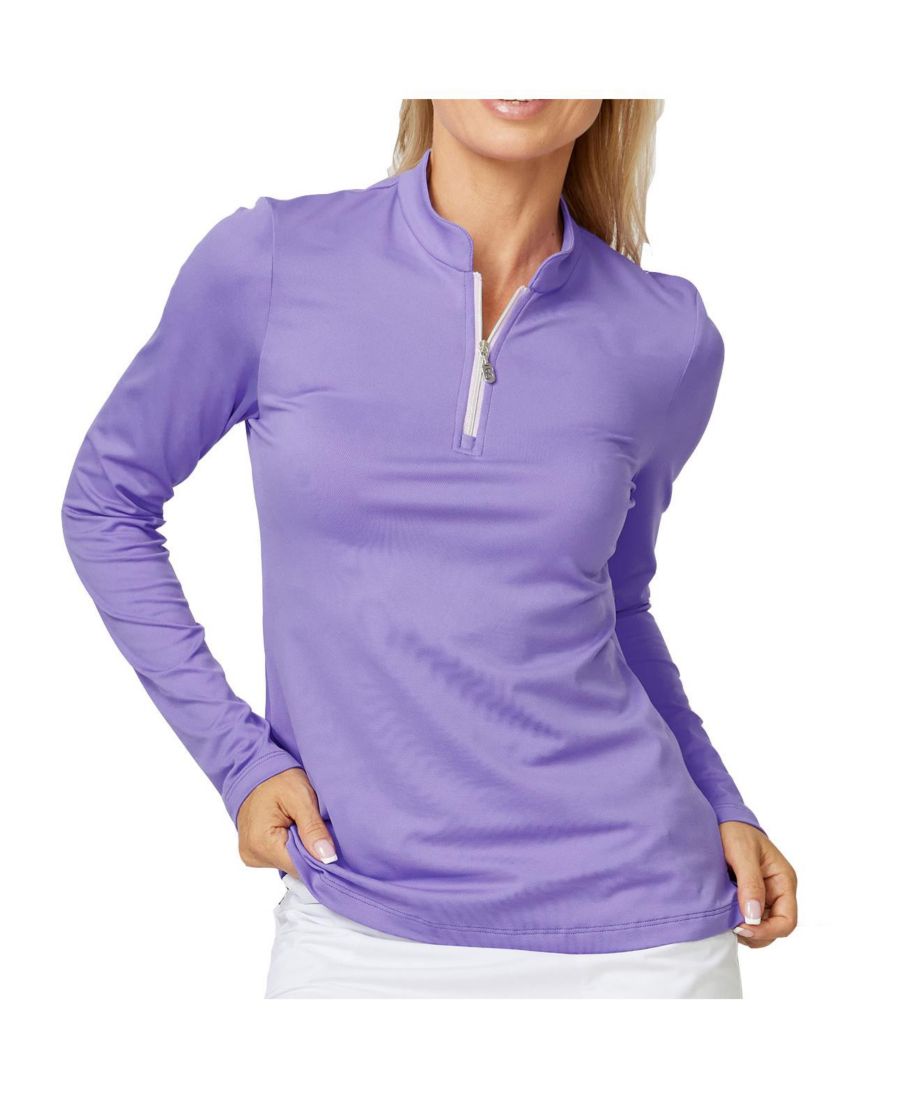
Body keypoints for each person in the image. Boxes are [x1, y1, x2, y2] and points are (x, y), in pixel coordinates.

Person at [61, 99, 798, 998]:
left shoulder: (665, 333)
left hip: (640, 936)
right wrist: (239, 761)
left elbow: (618, 603)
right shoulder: (274, 262)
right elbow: (106, 501)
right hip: (360, 920)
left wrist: (720, 798)